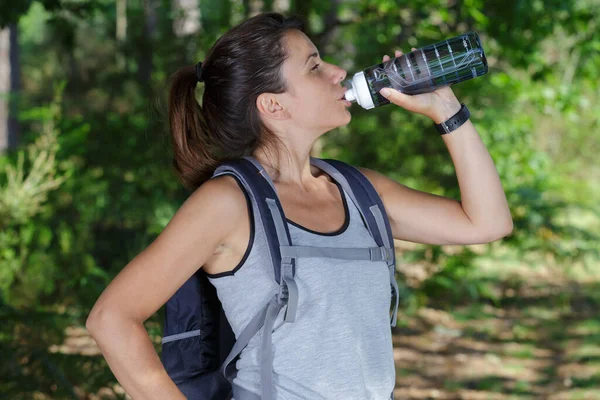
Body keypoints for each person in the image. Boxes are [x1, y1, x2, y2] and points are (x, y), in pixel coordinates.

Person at [85, 12, 513, 400]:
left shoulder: (360, 192)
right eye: (314, 67)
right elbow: (111, 318)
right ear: (273, 105)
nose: (338, 73)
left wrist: (447, 110)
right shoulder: (228, 204)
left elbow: (487, 223)